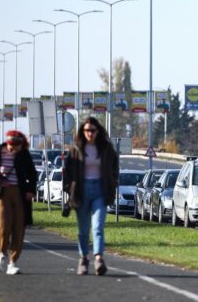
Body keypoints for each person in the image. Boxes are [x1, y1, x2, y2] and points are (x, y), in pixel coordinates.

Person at [64, 117, 119, 276]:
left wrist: (113, 180)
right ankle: (83, 259)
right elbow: (67, 171)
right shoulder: (76, 149)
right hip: (81, 191)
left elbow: (114, 165)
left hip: (100, 190)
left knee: (98, 226)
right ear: (82, 131)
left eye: (93, 130)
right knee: (83, 230)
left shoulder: (106, 148)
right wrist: (69, 189)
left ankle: (99, 258)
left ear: (98, 131)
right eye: (87, 130)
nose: (90, 133)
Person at [0, 130, 37, 275]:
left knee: (18, 229)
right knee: (3, 227)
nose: (12, 149)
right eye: (11, 145)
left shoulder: (24, 154)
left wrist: (30, 190)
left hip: (20, 195)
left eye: (16, 146)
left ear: (21, 145)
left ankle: (12, 262)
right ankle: (1, 254)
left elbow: (32, 173)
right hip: (3, 195)